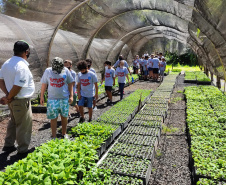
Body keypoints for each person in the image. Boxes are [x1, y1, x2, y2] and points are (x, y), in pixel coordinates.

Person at [0, 40, 35, 154]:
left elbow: (1, 80)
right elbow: (18, 85)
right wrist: (10, 96)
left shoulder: (7, 63)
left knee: (13, 122)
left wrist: (8, 95)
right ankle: (23, 150)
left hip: (13, 100)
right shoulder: (21, 66)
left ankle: (9, 144)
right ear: (26, 52)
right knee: (23, 125)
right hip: (20, 100)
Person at [40, 57, 74, 139]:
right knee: (53, 118)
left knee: (64, 116)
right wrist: (41, 96)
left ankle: (64, 133)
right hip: (52, 99)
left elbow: (70, 83)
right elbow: (44, 84)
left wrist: (72, 96)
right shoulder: (48, 71)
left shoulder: (66, 70)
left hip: (64, 98)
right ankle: (54, 135)